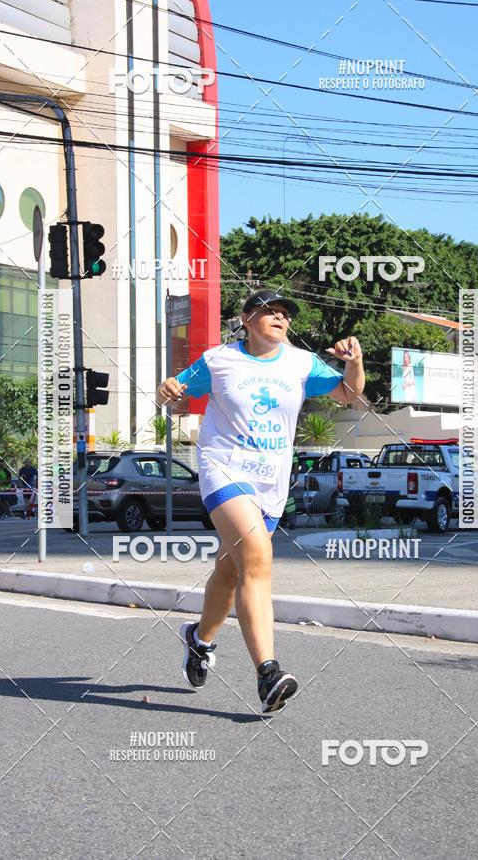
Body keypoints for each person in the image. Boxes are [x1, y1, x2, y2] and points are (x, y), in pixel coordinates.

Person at [157, 289, 365, 713]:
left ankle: (199, 639)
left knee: (232, 570)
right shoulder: (219, 360)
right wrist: (166, 391)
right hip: (224, 469)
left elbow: (350, 395)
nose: (280, 317)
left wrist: (354, 362)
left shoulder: (302, 363)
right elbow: (173, 393)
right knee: (257, 558)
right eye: (269, 311)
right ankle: (267, 672)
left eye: (286, 314)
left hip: (271, 481)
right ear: (246, 319)